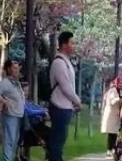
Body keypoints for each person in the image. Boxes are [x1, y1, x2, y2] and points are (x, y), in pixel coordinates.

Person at [48, 31, 81, 161]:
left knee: (60, 140)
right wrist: (77, 101)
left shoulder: (66, 61)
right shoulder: (59, 62)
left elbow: (69, 87)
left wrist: (73, 103)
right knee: (57, 141)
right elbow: (66, 86)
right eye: (72, 43)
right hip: (59, 106)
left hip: (65, 107)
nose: (74, 46)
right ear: (63, 45)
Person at [0, 60, 26, 161]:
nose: (17, 70)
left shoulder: (16, 83)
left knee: (15, 142)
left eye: (18, 68)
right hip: (9, 116)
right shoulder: (5, 83)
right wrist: (3, 101)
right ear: (8, 69)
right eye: (14, 68)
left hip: (18, 116)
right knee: (9, 141)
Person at [101, 77, 122, 157]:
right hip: (110, 114)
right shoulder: (112, 91)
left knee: (115, 133)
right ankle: (109, 150)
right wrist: (119, 98)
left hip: (116, 115)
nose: (121, 85)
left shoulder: (120, 92)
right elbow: (112, 102)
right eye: (119, 83)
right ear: (116, 83)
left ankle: (114, 149)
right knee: (111, 133)